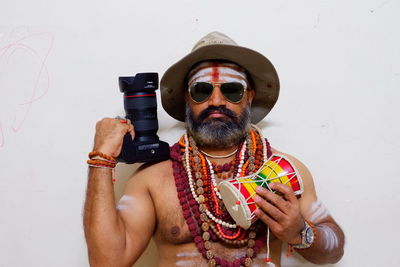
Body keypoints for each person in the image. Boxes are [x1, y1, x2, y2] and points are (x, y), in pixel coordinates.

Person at [83, 32, 345, 267]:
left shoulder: (284, 171)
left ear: (250, 96)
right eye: (201, 90)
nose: (216, 101)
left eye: (232, 91)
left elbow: (333, 251)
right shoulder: (154, 178)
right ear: (187, 98)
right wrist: (101, 159)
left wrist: (300, 232)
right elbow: (107, 262)